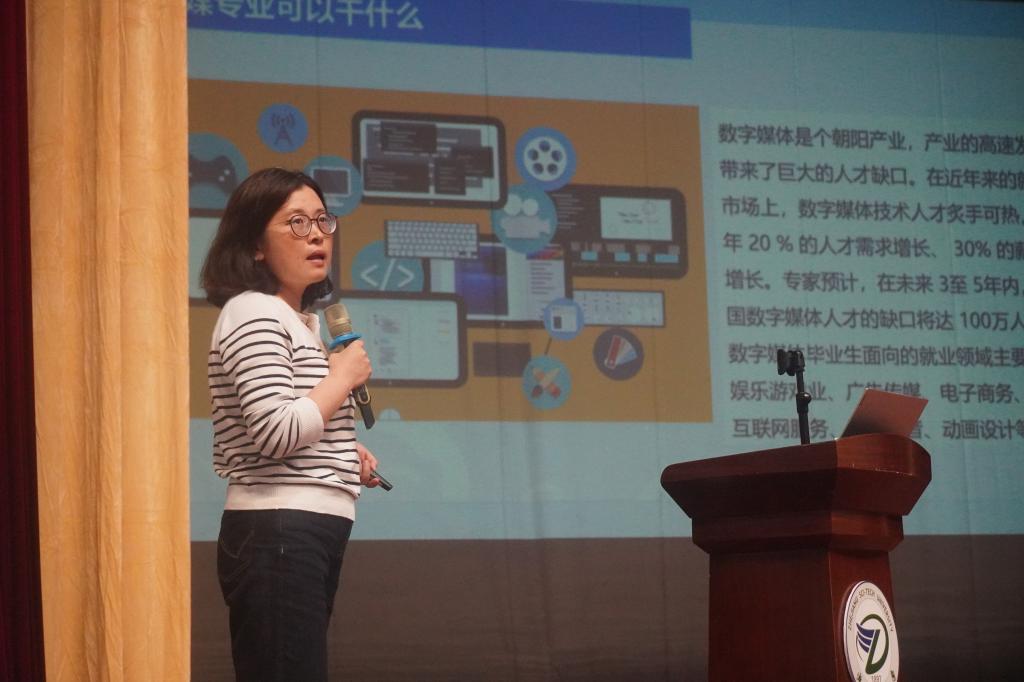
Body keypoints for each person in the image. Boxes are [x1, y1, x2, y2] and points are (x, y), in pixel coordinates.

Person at [201, 167, 382, 681]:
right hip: (278, 528)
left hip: (300, 527)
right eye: (296, 222)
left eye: (323, 220)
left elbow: (289, 419)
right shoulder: (253, 312)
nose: (317, 234)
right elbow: (276, 432)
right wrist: (342, 376)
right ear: (255, 245)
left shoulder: (296, 320)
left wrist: (343, 453)